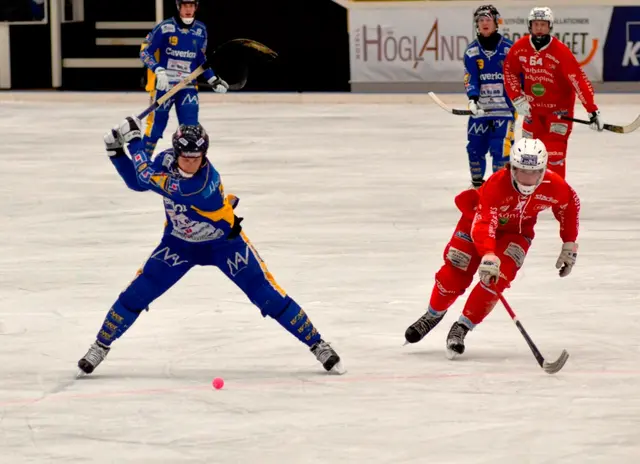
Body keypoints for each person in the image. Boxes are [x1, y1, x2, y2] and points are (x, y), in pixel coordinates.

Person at [77, 116, 344, 375]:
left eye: (197, 158)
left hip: (224, 244)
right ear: (177, 152)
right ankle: (100, 345)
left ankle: (318, 344)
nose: (191, 163)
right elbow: (139, 183)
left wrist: (134, 140)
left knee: (266, 295)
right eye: (186, 157)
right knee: (138, 292)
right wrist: (116, 153)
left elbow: (146, 176)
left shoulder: (201, 184)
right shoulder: (167, 160)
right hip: (179, 243)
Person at [404, 138, 580, 357]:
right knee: (456, 271)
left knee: (499, 278)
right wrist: (488, 253)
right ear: (511, 168)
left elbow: (570, 205)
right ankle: (433, 314)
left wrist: (569, 243)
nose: (527, 179)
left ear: (543, 170)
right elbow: (485, 221)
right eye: (521, 171)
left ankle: (462, 327)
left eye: (533, 173)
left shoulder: (555, 185)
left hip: (516, 233)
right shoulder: (496, 184)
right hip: (475, 222)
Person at [503, 6, 603, 179]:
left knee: (555, 156)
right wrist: (517, 98)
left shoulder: (561, 51)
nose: (539, 28)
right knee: (529, 156)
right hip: (532, 113)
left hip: (559, 114)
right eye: (536, 24)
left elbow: (578, 80)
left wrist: (592, 110)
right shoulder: (520, 47)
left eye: (543, 24)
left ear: (550, 26)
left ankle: (558, 199)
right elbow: (509, 71)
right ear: (529, 26)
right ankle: (531, 198)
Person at [139, 0, 228, 157]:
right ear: (179, 6)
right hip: (164, 87)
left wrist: (213, 79)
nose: (188, 9)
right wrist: (158, 70)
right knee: (155, 128)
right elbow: (145, 52)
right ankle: (141, 164)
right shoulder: (165, 28)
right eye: (185, 5)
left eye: (191, 5)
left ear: (196, 7)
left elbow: (201, 59)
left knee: (190, 131)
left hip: (187, 87)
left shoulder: (201, 30)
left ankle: (185, 168)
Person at [463, 5, 515, 189]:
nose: (484, 23)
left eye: (488, 20)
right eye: (481, 20)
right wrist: (473, 99)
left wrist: (521, 99)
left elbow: (518, 78)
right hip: (481, 111)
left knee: (500, 151)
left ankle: (499, 189)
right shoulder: (471, 52)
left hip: (504, 111)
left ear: (496, 23)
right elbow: (471, 78)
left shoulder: (510, 49)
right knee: (474, 149)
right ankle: (477, 187)